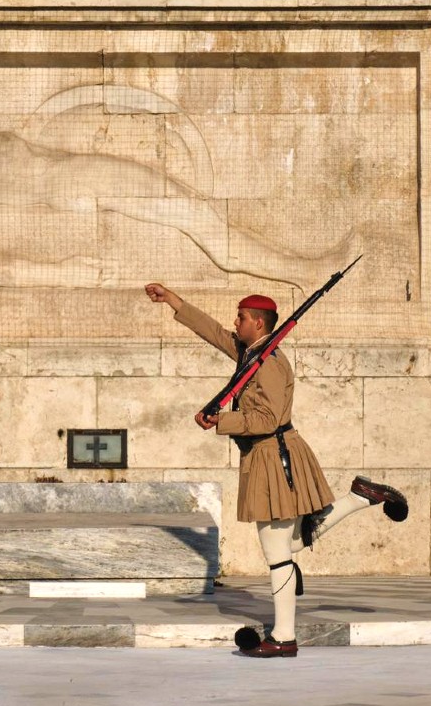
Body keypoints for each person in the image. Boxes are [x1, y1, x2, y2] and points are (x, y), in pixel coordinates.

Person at [144, 282, 407, 658]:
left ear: (258, 322)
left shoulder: (270, 364)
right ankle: (358, 497)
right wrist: (173, 301)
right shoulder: (251, 352)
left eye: (240, 317)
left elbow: (266, 418)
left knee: (278, 552)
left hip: (273, 455)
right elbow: (213, 332)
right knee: (287, 543)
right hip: (265, 456)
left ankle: (284, 636)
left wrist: (222, 421)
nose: (234, 323)